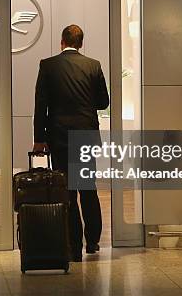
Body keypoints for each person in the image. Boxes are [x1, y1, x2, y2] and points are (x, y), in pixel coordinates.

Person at [32, 24, 109, 262]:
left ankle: (73, 245)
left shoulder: (48, 65)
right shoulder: (93, 65)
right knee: (88, 188)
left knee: (67, 190)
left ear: (62, 42)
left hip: (59, 136)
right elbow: (103, 102)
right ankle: (93, 242)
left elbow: (40, 104)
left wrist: (39, 139)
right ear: (81, 43)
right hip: (86, 135)